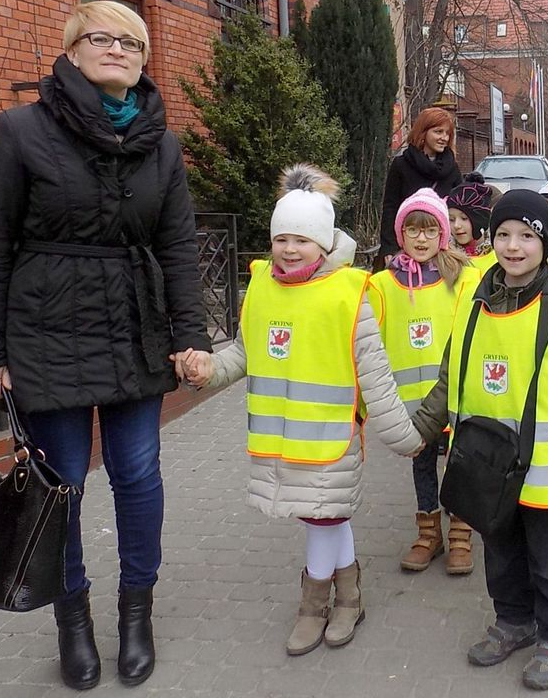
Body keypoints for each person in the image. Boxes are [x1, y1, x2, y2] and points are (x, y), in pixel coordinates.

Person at [0, 1, 211, 690]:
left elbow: (178, 247)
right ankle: (72, 622)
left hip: (134, 328)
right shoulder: (20, 131)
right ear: (72, 51)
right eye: (101, 37)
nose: (119, 49)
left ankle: (138, 615)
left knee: (137, 476)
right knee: (60, 486)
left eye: (132, 41)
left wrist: (190, 336)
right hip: (46, 330)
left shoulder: (160, 142)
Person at [181, 165, 423, 657]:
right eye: (281, 239)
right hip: (283, 440)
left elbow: (374, 374)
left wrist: (407, 438)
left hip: (331, 439)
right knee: (325, 517)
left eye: (302, 240)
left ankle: (315, 605)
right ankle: (349, 596)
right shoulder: (261, 289)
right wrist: (209, 368)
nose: (290, 250)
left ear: (324, 242)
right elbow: (248, 355)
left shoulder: (350, 294)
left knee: (323, 519)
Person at [411, 190, 548, 691]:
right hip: (487, 464)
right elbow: (448, 377)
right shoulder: (472, 303)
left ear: (546, 245)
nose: (513, 246)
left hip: (543, 467)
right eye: (503, 234)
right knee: (499, 550)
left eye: (526, 235)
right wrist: (419, 430)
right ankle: (514, 620)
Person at [367, 190, 479, 575]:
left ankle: (461, 531)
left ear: (443, 234)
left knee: (461, 465)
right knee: (423, 465)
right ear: (401, 234)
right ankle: (428, 533)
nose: (420, 238)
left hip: (457, 397)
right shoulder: (382, 284)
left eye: (430, 229)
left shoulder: (463, 277)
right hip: (411, 404)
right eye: (412, 229)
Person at [379, 107, 463, 262]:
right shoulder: (401, 165)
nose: (444, 138)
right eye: (438, 132)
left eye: (447, 133)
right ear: (423, 132)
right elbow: (390, 207)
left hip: (442, 251)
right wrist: (389, 247)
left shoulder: (452, 168)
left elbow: (460, 208)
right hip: (406, 247)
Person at [446, 172, 497, 275]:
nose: (456, 225)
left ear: (481, 219)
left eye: (464, 218)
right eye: (451, 219)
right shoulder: (445, 255)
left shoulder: (498, 254)